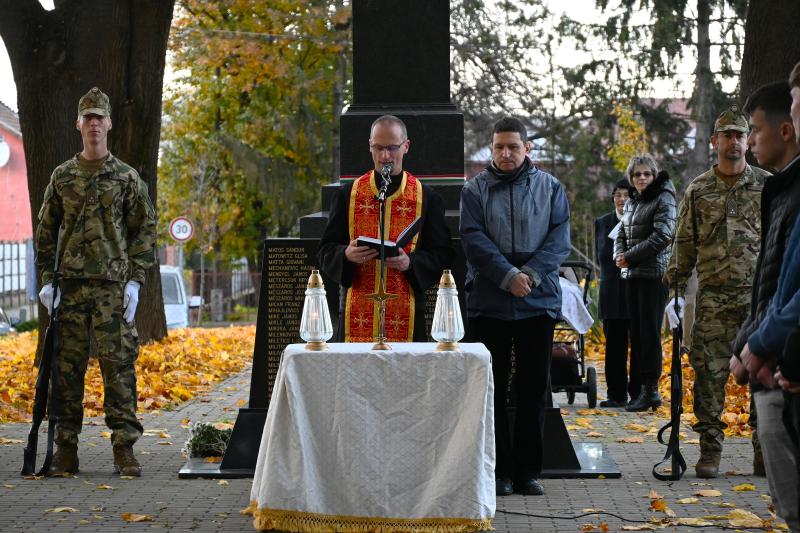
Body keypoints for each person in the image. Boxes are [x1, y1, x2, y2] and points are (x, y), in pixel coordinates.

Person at [35, 87, 157, 478]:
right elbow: (45, 232)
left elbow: (145, 231)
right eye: (87, 117)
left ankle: (124, 449)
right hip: (68, 288)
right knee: (64, 371)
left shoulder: (125, 178)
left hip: (111, 289)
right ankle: (64, 450)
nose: (93, 123)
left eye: (99, 117)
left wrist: (135, 282)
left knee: (118, 368)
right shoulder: (63, 176)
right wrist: (46, 282)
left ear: (108, 123)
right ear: (78, 124)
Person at [460, 116, 570, 497]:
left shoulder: (551, 188)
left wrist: (531, 276)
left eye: (513, 147)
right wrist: (508, 276)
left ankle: (529, 471)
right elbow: (473, 240)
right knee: (491, 390)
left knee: (532, 389)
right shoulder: (474, 190)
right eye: (499, 147)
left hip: (537, 303)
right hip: (489, 302)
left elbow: (559, 241)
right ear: (492, 149)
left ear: (528, 149)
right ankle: (500, 470)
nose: (506, 154)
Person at [663, 106, 770, 478]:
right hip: (712, 298)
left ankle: (763, 451)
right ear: (714, 142)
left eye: (740, 135)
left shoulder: (767, 186)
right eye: (727, 135)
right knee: (709, 376)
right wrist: (674, 290)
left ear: (748, 141)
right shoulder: (698, 190)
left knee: (763, 375)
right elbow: (684, 244)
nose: (734, 142)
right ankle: (710, 450)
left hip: (759, 300)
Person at [729, 79, 800, 531]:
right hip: (771, 360)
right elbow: (771, 280)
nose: (750, 141)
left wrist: (759, 344)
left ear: (787, 129)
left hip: (784, 365)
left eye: (753, 130)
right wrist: (745, 345)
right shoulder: (782, 189)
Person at [317, 115, 453, 342]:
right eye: (378, 148)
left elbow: (444, 254)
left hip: (407, 314)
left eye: (392, 148)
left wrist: (411, 263)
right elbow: (325, 250)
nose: (384, 156)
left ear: (406, 146)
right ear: (370, 146)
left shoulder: (426, 197)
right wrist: (346, 255)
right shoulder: (348, 195)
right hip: (356, 314)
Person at [613, 154, 677, 412]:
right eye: (637, 174)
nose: (641, 178)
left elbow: (663, 235)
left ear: (654, 176)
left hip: (653, 276)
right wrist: (619, 254)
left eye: (646, 174)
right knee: (637, 335)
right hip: (632, 275)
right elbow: (621, 231)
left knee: (649, 335)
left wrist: (629, 256)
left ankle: (651, 390)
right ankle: (641, 390)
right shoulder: (632, 201)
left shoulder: (664, 198)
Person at [595, 179, 638, 408]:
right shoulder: (602, 223)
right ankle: (616, 394)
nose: (622, 200)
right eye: (618, 195)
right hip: (611, 290)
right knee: (614, 346)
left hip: (636, 291)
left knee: (639, 345)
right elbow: (600, 257)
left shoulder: (641, 221)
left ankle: (639, 392)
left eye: (626, 195)